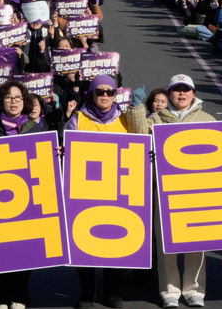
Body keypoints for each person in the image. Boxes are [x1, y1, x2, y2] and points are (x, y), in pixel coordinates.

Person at [126, 74, 214, 308]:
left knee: (196, 241)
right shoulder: (155, 118)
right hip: (163, 190)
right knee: (166, 242)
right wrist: (135, 108)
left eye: (186, 90)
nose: (181, 94)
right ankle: (169, 291)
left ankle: (195, 290)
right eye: (177, 90)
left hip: (196, 191)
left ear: (193, 93)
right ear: (170, 93)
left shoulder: (207, 118)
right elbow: (137, 136)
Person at [66, 75, 147, 308]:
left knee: (116, 241)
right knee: (84, 242)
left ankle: (112, 291)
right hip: (85, 190)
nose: (104, 96)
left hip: (118, 191)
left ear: (115, 95)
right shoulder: (77, 119)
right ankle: (87, 293)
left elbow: (140, 144)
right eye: (99, 91)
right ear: (90, 94)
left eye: (109, 92)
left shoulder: (124, 120)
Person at [0, 80, 44, 309]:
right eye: (8, 98)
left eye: (18, 98)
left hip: (27, 202)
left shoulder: (36, 129)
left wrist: (55, 154)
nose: (13, 102)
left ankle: (19, 297)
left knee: (25, 251)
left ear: (24, 102)